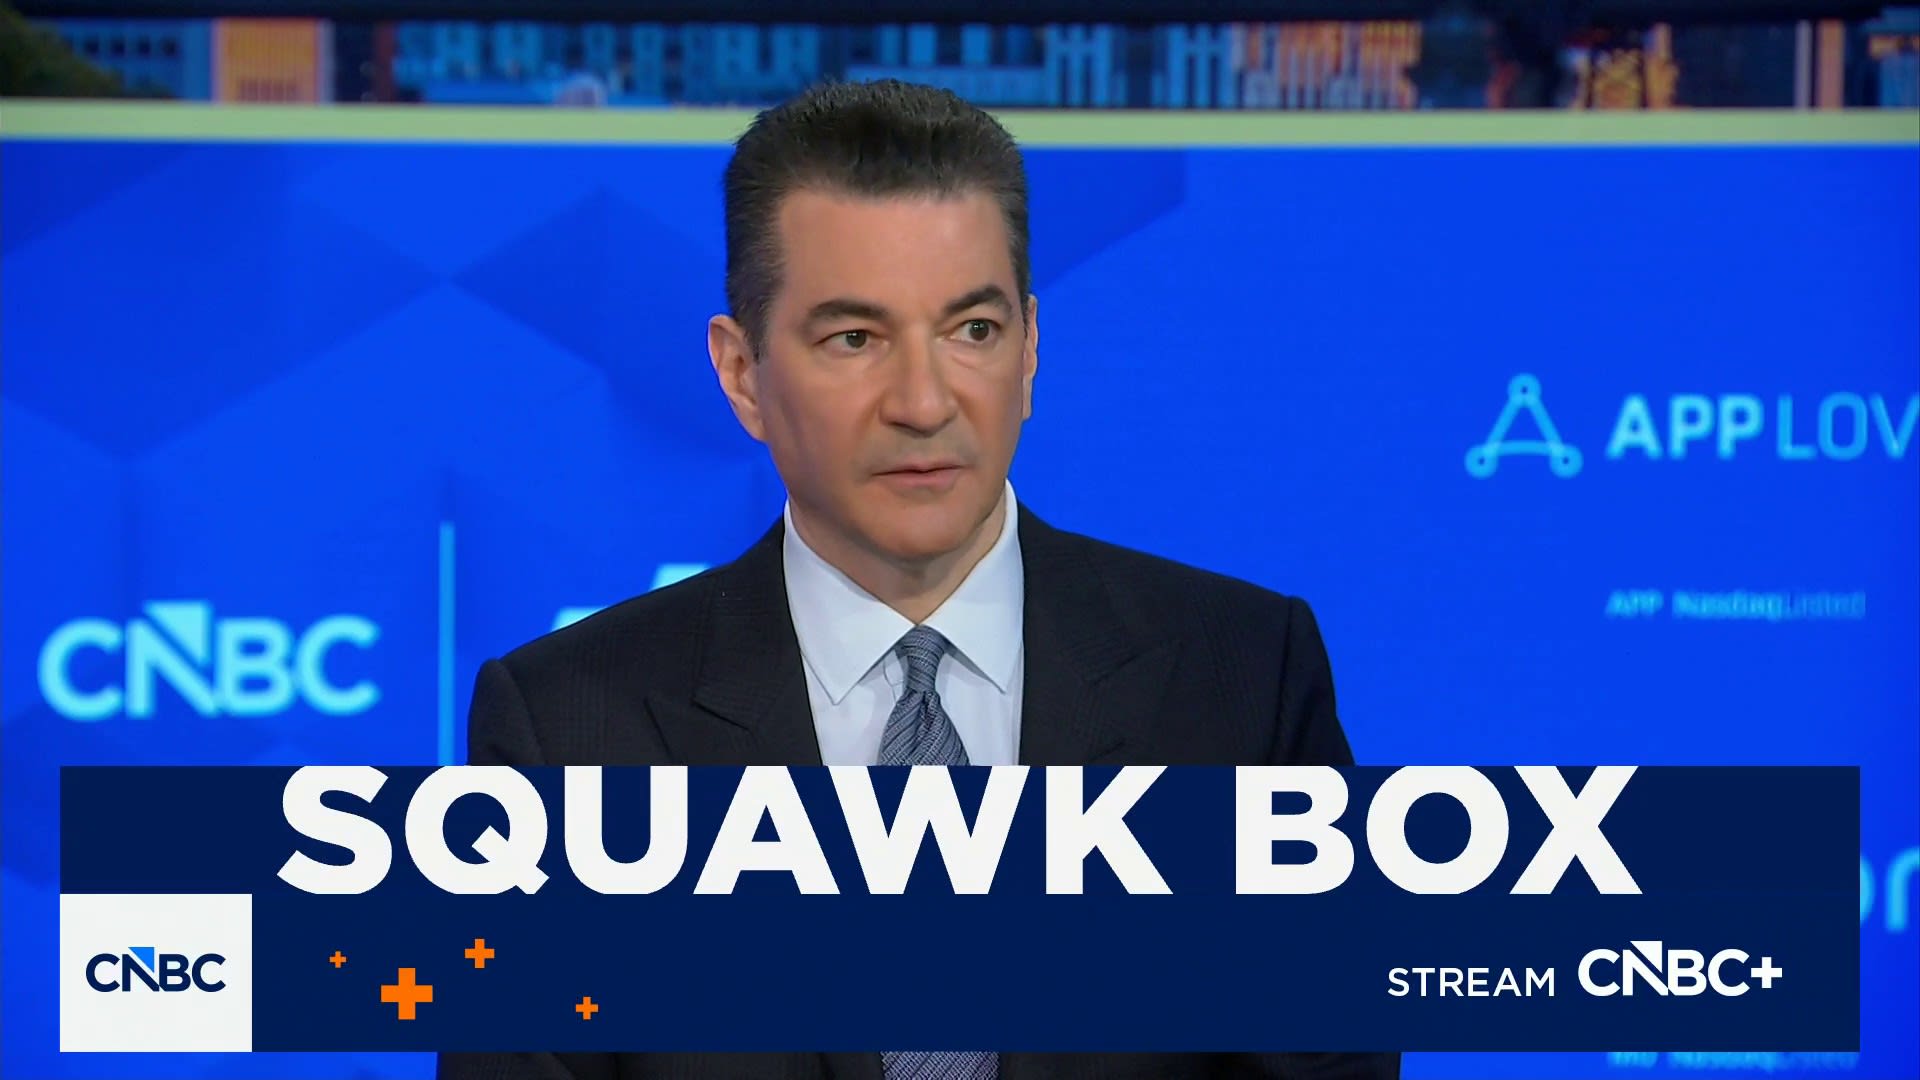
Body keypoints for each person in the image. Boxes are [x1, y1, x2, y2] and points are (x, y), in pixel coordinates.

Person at [440, 79, 1398, 1080]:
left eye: (971, 331)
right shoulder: (571, 731)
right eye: (854, 338)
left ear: (1029, 348)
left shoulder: (1239, 681)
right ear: (742, 374)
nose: (924, 401)